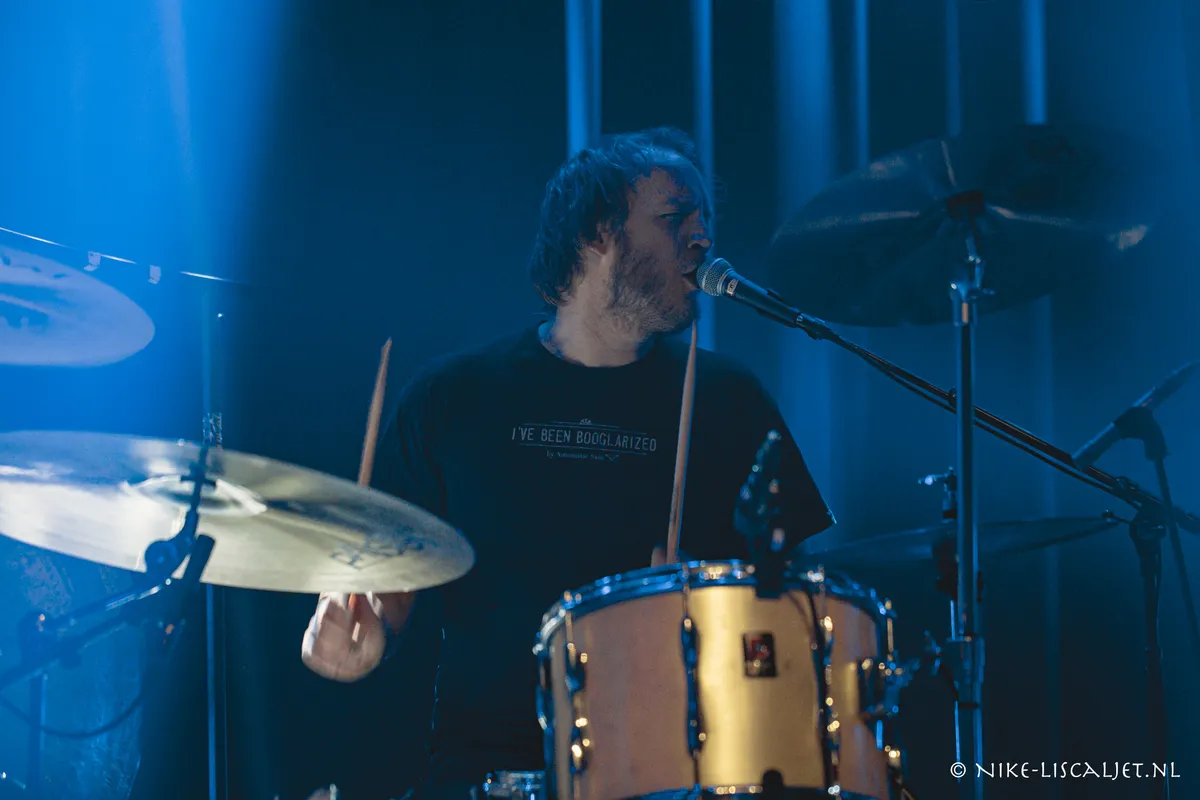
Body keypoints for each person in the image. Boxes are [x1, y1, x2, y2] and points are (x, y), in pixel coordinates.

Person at [300, 127, 835, 799]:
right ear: (595, 233)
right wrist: (356, 628)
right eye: (675, 217)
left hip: (677, 769)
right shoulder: (454, 397)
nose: (702, 237)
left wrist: (710, 615)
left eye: (704, 220)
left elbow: (801, 615)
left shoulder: (730, 399)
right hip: (485, 772)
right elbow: (386, 586)